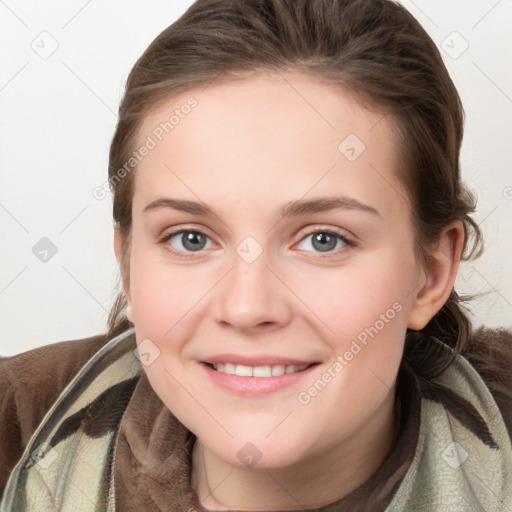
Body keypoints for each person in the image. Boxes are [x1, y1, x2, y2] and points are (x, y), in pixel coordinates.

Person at [1, 0, 511, 510]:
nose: (247, 308)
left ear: (431, 275)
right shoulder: (16, 427)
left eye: (323, 240)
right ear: (128, 266)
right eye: (191, 238)